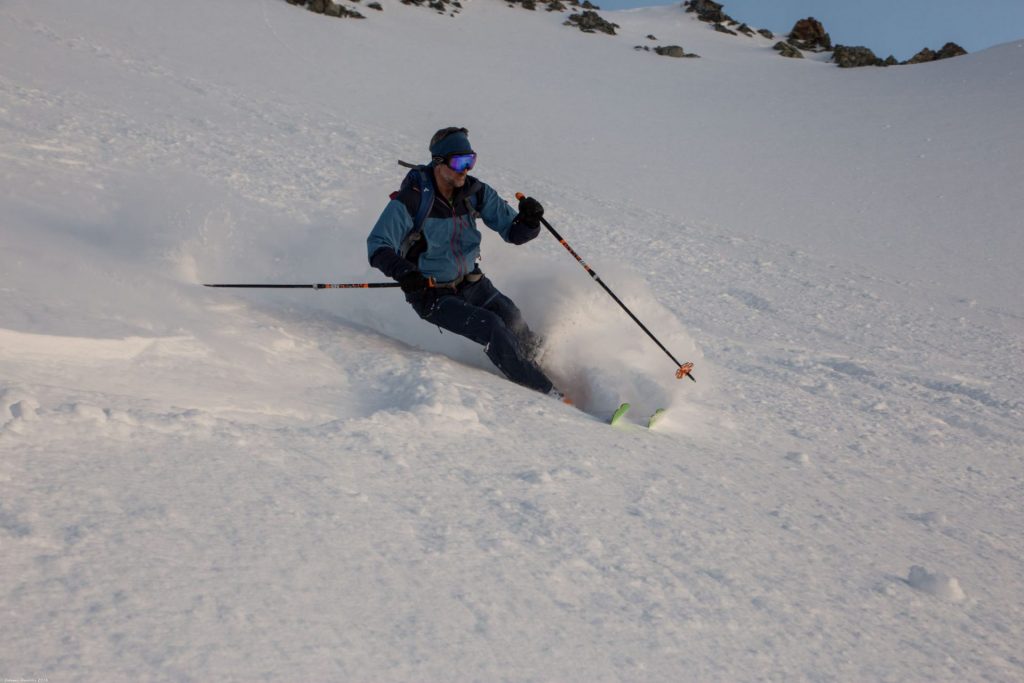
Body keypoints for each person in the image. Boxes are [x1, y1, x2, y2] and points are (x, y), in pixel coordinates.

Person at [367, 126, 566, 400]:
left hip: (472, 282)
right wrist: (405, 272)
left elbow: (514, 233)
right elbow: (377, 245)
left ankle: (549, 371)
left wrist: (530, 221)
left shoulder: (475, 193)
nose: (465, 170)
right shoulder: (413, 200)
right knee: (492, 326)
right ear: (439, 162)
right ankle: (547, 393)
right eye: (459, 162)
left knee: (512, 317)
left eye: (471, 160)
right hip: (432, 293)